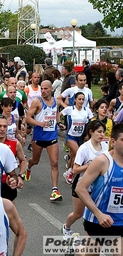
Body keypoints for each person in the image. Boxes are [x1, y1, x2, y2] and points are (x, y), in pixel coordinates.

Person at [76, 123, 123, 252]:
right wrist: (99, 214)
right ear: (113, 141)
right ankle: (77, 249)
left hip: (121, 221)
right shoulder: (102, 161)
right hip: (98, 220)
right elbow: (80, 188)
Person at [62, 120, 107, 240]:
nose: (102, 135)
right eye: (99, 132)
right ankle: (66, 227)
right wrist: (91, 166)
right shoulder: (84, 148)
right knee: (78, 214)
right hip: (82, 185)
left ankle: (92, 239)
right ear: (91, 132)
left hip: (98, 186)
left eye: (103, 132)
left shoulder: (105, 147)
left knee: (95, 213)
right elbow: (75, 170)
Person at [25, 80, 66, 202]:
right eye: (41, 89)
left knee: (54, 162)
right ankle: (28, 165)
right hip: (39, 137)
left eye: (46, 89)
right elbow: (28, 118)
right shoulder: (37, 102)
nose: (43, 91)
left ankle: (55, 190)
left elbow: (56, 113)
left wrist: (59, 123)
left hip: (52, 137)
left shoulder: (56, 102)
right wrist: (40, 123)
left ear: (51, 89)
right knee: (35, 160)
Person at [60, 92, 93, 185]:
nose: (81, 101)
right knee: (78, 153)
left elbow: (91, 122)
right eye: (79, 99)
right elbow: (58, 115)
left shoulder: (87, 110)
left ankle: (68, 171)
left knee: (73, 155)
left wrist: (88, 134)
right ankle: (71, 173)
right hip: (70, 136)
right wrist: (60, 124)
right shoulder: (70, 109)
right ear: (75, 99)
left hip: (81, 137)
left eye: (83, 99)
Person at [0, 114, 27, 202]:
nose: (2, 129)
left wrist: (20, 176)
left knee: (9, 213)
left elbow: (23, 160)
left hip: (7, 183)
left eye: (5, 126)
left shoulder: (14, 143)